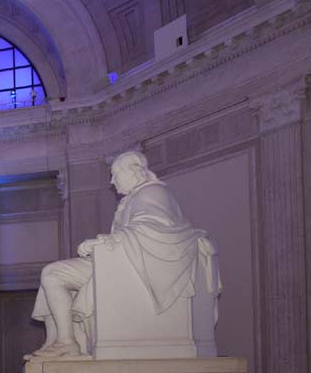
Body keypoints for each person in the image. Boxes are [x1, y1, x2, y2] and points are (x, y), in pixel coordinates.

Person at [31, 150, 220, 357]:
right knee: (50, 275)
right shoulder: (135, 197)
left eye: (115, 174)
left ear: (134, 172)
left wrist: (108, 240)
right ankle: (56, 341)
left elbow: (154, 229)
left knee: (52, 273)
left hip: (131, 263)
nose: (112, 181)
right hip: (121, 261)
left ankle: (66, 342)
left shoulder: (153, 192)